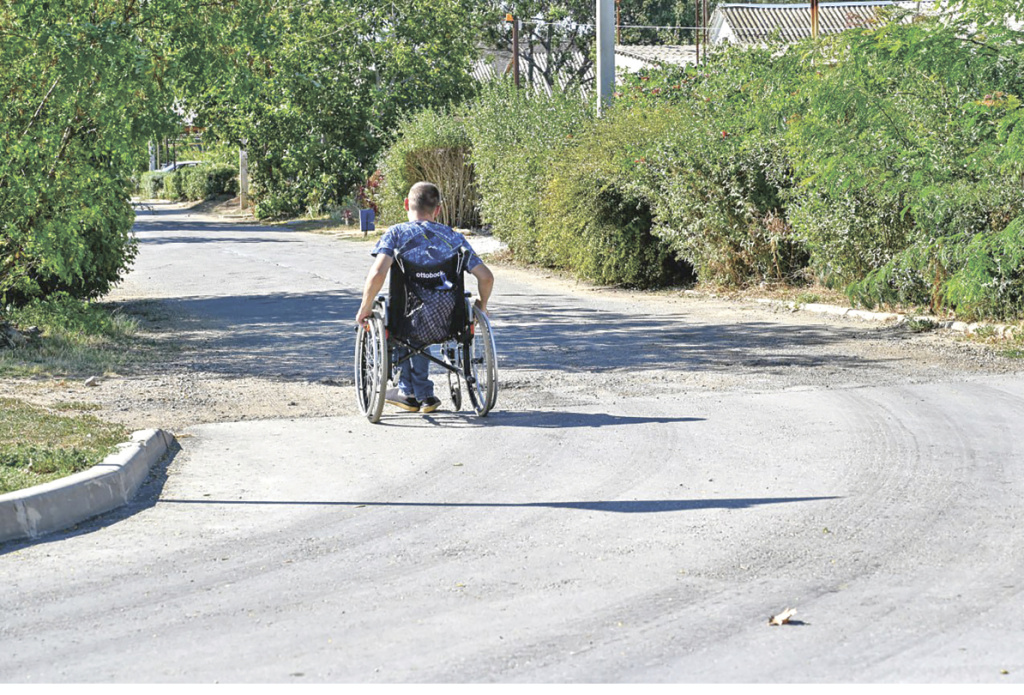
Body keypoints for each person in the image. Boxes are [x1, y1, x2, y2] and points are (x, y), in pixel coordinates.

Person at [355, 181, 494, 413]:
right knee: (420, 324)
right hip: (449, 319)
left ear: (406, 204)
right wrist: (482, 305)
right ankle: (419, 392)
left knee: (403, 326)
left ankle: (410, 392)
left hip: (406, 318)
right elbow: (487, 277)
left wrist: (365, 306)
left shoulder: (396, 234)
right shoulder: (453, 238)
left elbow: (378, 273)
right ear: (437, 210)